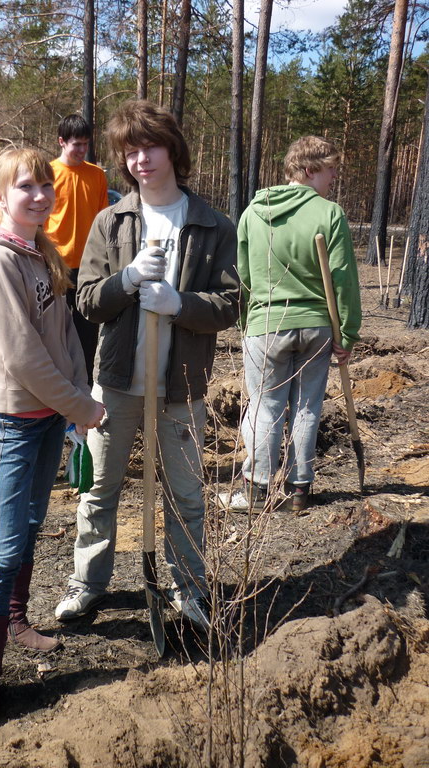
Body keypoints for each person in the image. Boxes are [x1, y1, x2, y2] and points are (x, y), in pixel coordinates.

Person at [54, 100, 240, 631]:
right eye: (130, 152)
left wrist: (181, 304)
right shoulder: (111, 221)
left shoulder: (212, 225)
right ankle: (87, 584)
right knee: (99, 491)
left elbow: (231, 303)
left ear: (172, 150)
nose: (140, 160)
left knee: (186, 495)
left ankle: (188, 587)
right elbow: (88, 301)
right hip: (116, 383)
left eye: (149, 148)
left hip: (181, 386)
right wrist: (129, 279)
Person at [0, 146, 105, 743]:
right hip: (12, 423)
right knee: (3, 546)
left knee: (32, 524)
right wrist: (81, 407)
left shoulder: (42, 251)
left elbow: (65, 338)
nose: (38, 196)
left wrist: (77, 399)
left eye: (44, 186)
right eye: (24, 187)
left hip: (49, 419)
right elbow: (22, 356)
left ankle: (16, 620)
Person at [223, 135, 361, 514]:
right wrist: (347, 332)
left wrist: (245, 322)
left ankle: (257, 490)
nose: (334, 176)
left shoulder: (254, 213)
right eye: (330, 169)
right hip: (316, 326)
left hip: (266, 324)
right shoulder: (329, 213)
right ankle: (299, 488)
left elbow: (242, 276)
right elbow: (344, 279)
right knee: (306, 406)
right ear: (309, 169)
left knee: (264, 406)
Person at [44, 114, 109, 384]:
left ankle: (84, 387)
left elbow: (104, 220)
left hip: (88, 268)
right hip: (54, 265)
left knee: (87, 333)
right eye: (76, 144)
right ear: (62, 142)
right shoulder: (47, 174)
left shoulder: (96, 175)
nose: (82, 150)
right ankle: (56, 386)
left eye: (86, 144)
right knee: (54, 330)